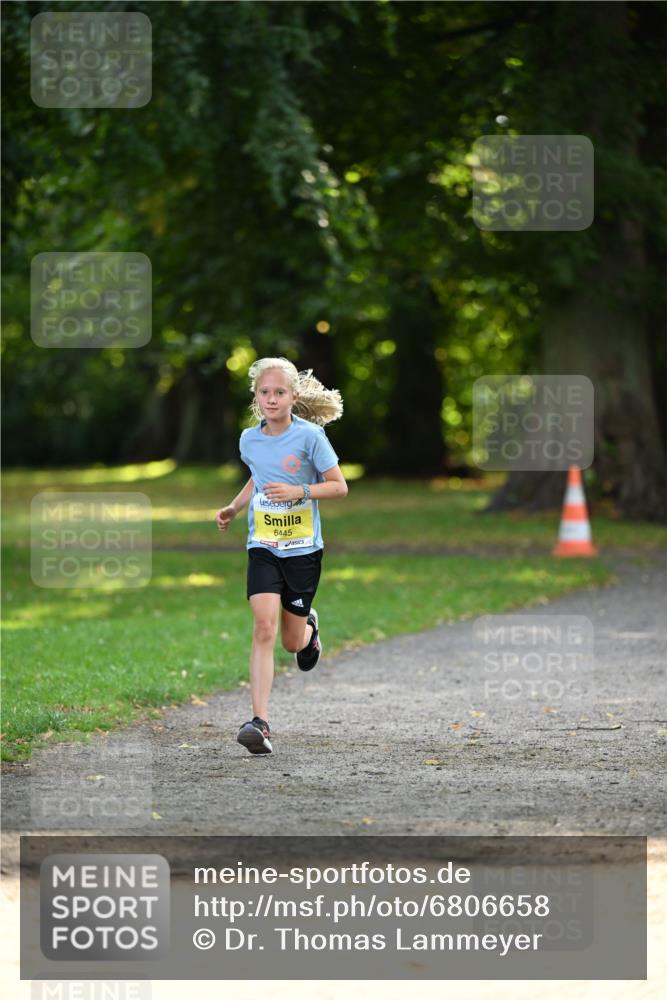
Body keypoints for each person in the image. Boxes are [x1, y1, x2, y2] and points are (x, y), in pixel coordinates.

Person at [215, 357, 348, 755]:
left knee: (291, 643)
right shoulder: (248, 438)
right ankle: (260, 723)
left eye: (279, 393)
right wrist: (235, 508)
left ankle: (309, 631)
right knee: (263, 627)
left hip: (303, 549)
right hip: (264, 547)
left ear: (293, 396)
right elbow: (258, 474)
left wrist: (300, 492)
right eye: (264, 392)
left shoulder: (310, 438)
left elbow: (339, 487)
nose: (271, 399)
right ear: (256, 396)